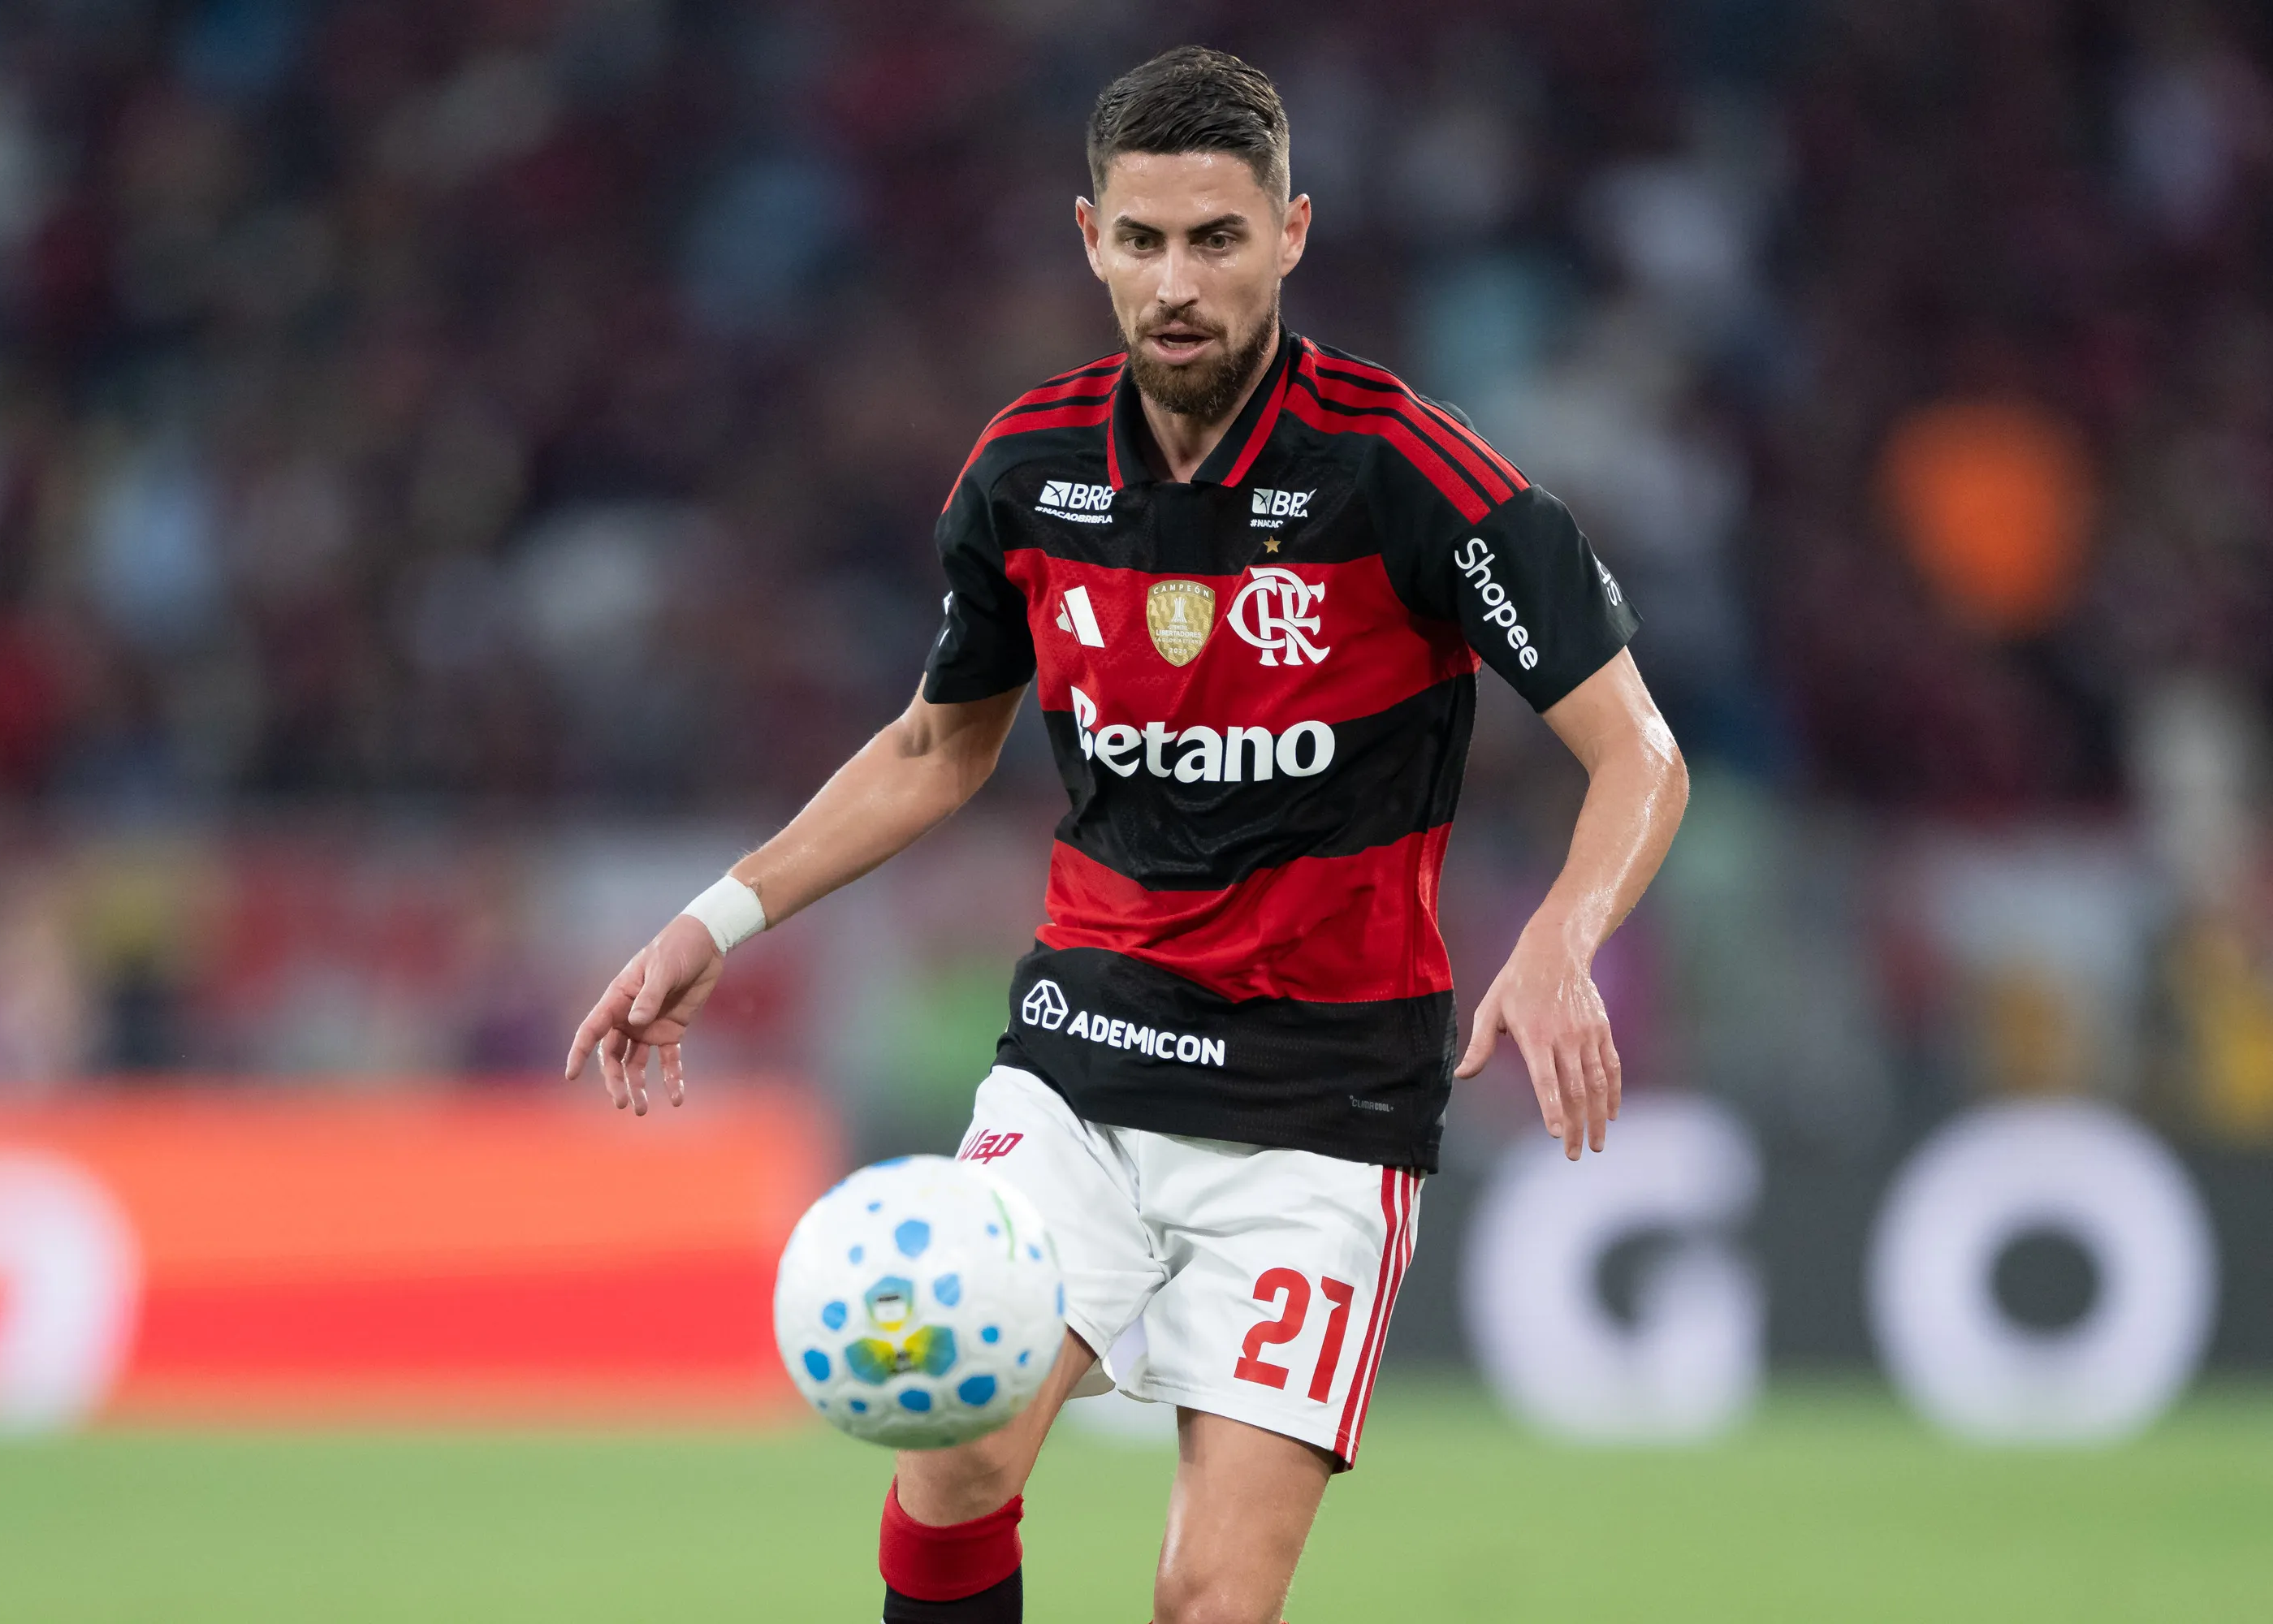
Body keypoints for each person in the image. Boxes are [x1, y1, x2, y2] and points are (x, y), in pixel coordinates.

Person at [566, 45, 1687, 1624]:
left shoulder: (1408, 476)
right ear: (1087, 235)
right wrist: (712, 923)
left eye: (1217, 240)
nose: (1178, 282)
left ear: (1290, 234)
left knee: (1209, 1603)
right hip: (1083, 1064)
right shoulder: (1025, 474)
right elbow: (934, 744)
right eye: (1144, 241)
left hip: (1323, 1108)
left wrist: (1563, 935)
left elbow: (1636, 750)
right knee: (953, 1448)